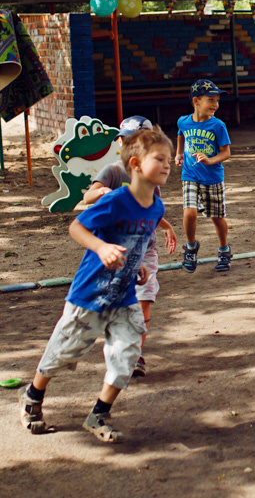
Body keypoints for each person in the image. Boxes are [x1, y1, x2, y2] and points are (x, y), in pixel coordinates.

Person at [19, 129, 171, 442]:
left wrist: (137, 265)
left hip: (124, 296)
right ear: (136, 164)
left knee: (127, 355)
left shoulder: (156, 207)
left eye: (170, 159)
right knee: (63, 352)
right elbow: (77, 226)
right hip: (90, 295)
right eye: (160, 158)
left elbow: (136, 240)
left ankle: (99, 413)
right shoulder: (116, 200)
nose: (169, 164)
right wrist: (101, 248)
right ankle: (32, 396)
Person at [82, 116, 177, 378]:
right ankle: (117, 346)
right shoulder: (113, 171)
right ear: (121, 143)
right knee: (114, 302)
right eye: (131, 140)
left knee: (145, 298)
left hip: (145, 247)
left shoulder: (152, 172)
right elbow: (88, 196)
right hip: (117, 247)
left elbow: (152, 208)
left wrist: (166, 226)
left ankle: (135, 355)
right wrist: (101, 193)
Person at [176, 79, 232, 272]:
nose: (215, 104)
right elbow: (181, 134)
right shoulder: (183, 121)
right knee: (189, 213)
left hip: (213, 177)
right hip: (190, 175)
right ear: (196, 101)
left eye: (217, 100)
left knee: (216, 217)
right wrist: (178, 153)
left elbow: (226, 153)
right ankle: (191, 248)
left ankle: (224, 250)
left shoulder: (218, 126)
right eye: (211, 100)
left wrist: (210, 160)